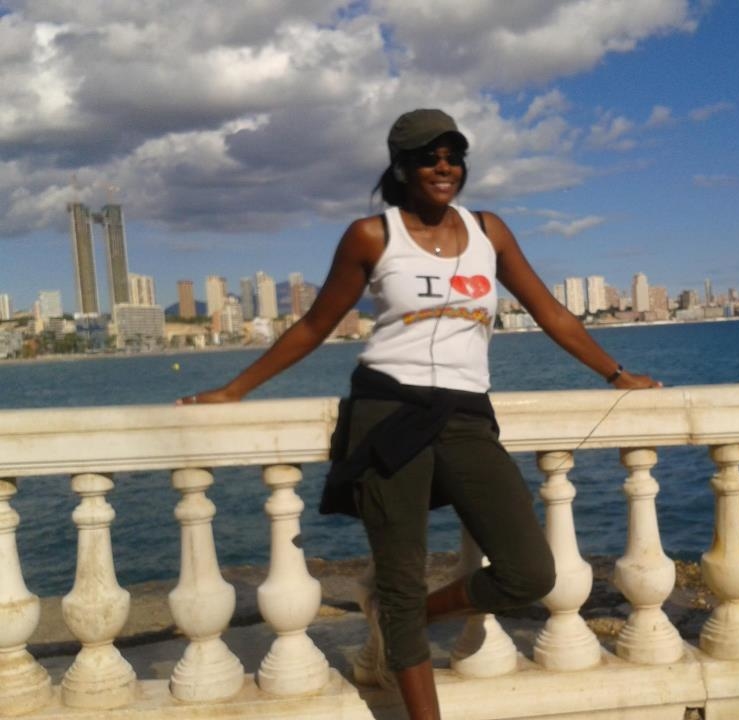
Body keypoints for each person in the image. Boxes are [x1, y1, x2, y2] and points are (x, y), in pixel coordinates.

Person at [179, 108, 661, 720]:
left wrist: (616, 375)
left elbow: (551, 312)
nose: (443, 167)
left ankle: (405, 618)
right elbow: (314, 325)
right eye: (429, 157)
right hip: (388, 414)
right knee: (401, 577)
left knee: (529, 571)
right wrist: (234, 389)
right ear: (402, 167)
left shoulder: (489, 231)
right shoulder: (371, 236)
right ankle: (408, 645)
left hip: (465, 415)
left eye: (453, 156)